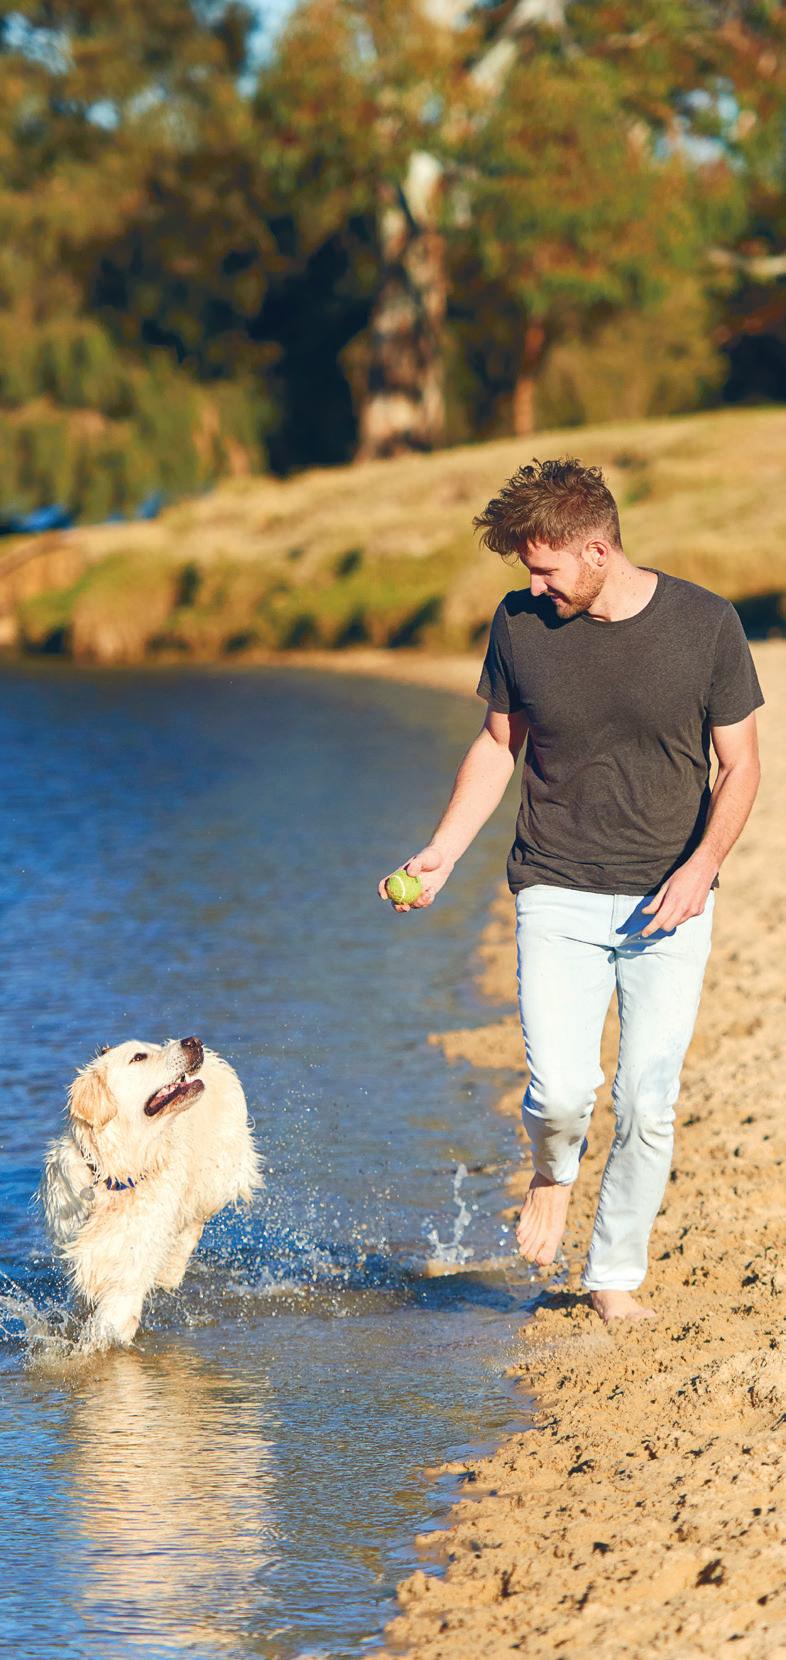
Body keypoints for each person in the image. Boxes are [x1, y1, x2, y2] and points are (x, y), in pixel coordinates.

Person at [378, 458, 763, 1323]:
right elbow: (497, 745)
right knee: (560, 1094)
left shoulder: (706, 624)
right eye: (528, 572)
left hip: (670, 898)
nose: (535, 587)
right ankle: (553, 1173)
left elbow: (741, 765)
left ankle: (612, 1277)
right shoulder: (520, 625)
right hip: (555, 884)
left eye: (546, 570)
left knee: (646, 1103)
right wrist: (442, 851)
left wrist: (703, 865)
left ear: (598, 550)